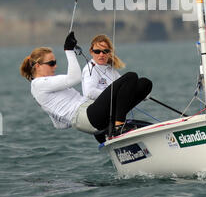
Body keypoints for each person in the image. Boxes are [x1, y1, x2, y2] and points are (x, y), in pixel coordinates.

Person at [20, 32, 152, 138]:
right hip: (88, 117)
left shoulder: (44, 86)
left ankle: (114, 126)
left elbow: (59, 125)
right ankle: (118, 127)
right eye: (51, 63)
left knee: (144, 84)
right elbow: (75, 78)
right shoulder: (38, 84)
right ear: (37, 66)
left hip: (91, 115)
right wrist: (68, 50)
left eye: (55, 62)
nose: (55, 66)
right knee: (131, 76)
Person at [81, 34, 152, 136]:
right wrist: (113, 96)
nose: (101, 54)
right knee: (131, 76)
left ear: (109, 53)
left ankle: (117, 123)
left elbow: (126, 89)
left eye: (105, 51)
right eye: (97, 51)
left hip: (110, 115)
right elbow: (89, 93)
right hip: (95, 115)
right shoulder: (90, 68)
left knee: (145, 83)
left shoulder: (111, 71)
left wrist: (143, 93)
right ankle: (119, 125)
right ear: (91, 52)